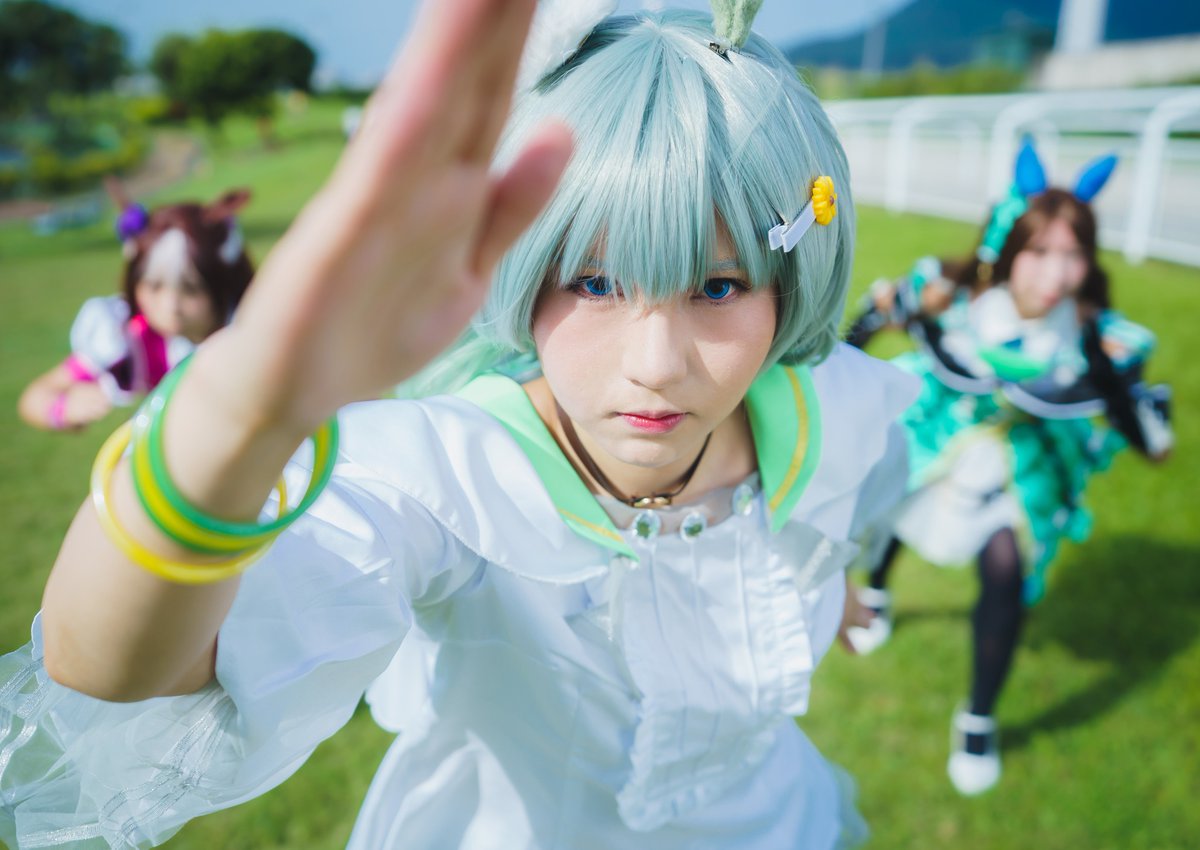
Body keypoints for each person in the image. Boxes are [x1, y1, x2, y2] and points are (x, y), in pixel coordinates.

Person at [0, 2, 917, 847]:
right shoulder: (454, 481)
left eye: (717, 286)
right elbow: (117, 674)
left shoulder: (837, 410)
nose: (656, 362)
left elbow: (853, 513)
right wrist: (233, 416)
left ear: (788, 279)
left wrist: (823, 587)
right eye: (595, 282)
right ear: (525, 268)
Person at [844, 138, 1172, 796]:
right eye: (1041, 251)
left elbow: (1155, 444)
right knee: (894, 511)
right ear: (1010, 247)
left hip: (1018, 466)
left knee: (1005, 571)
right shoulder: (954, 295)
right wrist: (889, 319)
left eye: (1073, 254)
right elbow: (862, 330)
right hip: (936, 433)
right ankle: (875, 592)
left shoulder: (1096, 334)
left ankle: (978, 718)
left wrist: (1107, 378)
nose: (1057, 272)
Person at [16, 182, 254, 431]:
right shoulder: (132, 337)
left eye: (191, 289)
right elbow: (35, 397)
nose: (171, 305)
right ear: (134, 283)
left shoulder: (249, 329)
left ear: (221, 284)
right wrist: (62, 409)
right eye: (155, 286)